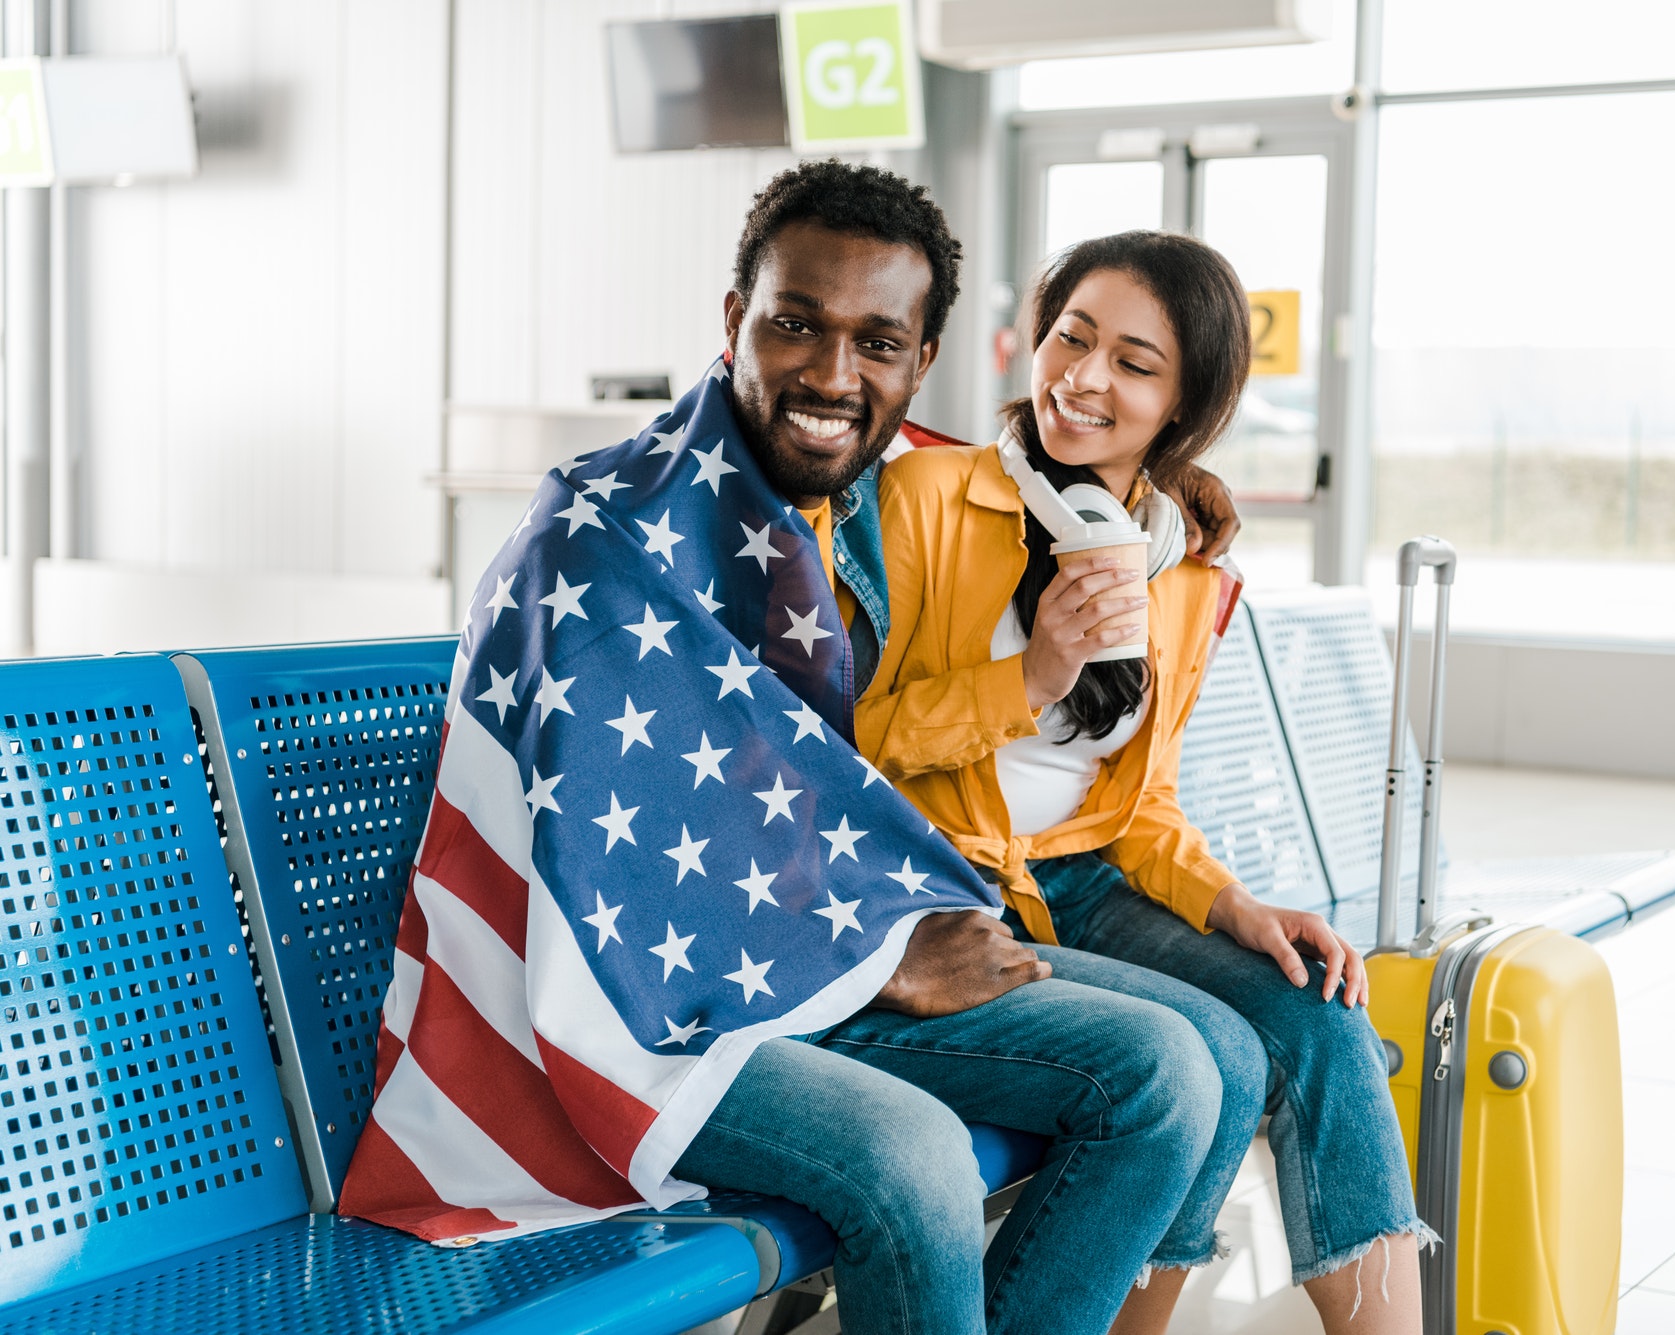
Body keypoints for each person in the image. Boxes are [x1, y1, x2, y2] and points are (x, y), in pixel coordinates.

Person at [340, 161, 1256, 1335]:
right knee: (915, 1155)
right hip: (636, 1007)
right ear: (734, 324)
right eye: (795, 326)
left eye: (878, 343)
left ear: (918, 365)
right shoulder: (606, 530)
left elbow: (1019, 481)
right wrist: (882, 958)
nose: (831, 375)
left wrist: (1172, 493)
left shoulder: (859, 503)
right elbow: (613, 865)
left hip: (805, 952)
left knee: (1167, 1077)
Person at [858, 231, 1433, 1335]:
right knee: (1208, 1061)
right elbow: (844, 748)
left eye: (1133, 361)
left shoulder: (1178, 563)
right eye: (1071, 338)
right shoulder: (925, 497)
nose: (1083, 378)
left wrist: (1238, 908)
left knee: (1320, 1019)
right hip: (939, 889)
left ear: (1182, 402)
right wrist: (1024, 678)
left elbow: (1141, 809)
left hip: (1078, 882)